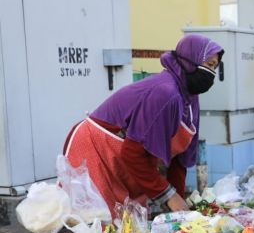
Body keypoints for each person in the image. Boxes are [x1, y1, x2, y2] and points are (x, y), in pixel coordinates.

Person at [63, 34, 224, 219]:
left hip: (126, 157)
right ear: (190, 59)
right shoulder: (165, 93)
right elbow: (133, 154)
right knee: (97, 222)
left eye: (214, 67)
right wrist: (169, 196)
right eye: (209, 65)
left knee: (131, 225)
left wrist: (179, 213)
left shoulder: (190, 100)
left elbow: (180, 160)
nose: (211, 73)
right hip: (97, 148)